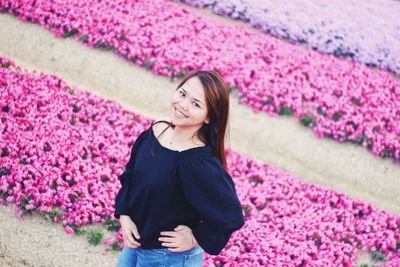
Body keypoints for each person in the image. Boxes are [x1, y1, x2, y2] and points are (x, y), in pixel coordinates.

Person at [114, 70, 245, 267]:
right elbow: (131, 176)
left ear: (208, 117)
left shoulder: (199, 163)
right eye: (183, 94)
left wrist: (194, 238)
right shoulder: (156, 132)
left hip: (168, 257)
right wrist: (124, 215)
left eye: (196, 104)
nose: (183, 105)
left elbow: (231, 215)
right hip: (135, 246)